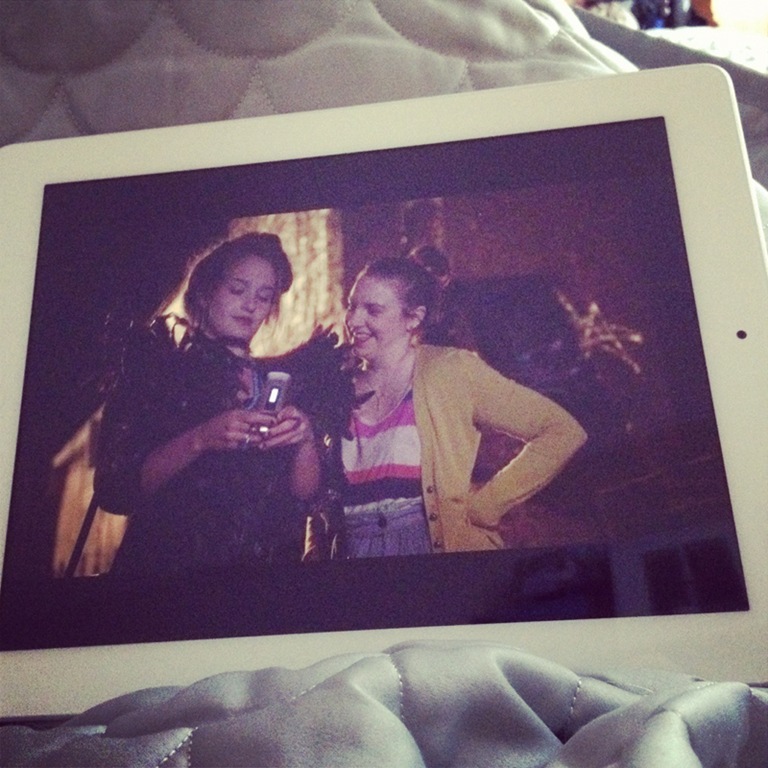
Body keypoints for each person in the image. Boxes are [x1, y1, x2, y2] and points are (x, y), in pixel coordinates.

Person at [94, 233, 323, 575]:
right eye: (237, 290)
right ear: (205, 292)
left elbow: (305, 498)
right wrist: (201, 438)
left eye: (264, 296)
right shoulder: (157, 370)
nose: (251, 305)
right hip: (168, 576)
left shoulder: (281, 383)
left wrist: (305, 441)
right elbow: (115, 490)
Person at [341, 256, 588, 557]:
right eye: (351, 306)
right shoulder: (336, 388)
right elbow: (321, 503)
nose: (353, 321)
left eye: (373, 310)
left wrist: (488, 505)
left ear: (413, 318)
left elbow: (562, 431)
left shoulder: (453, 371)